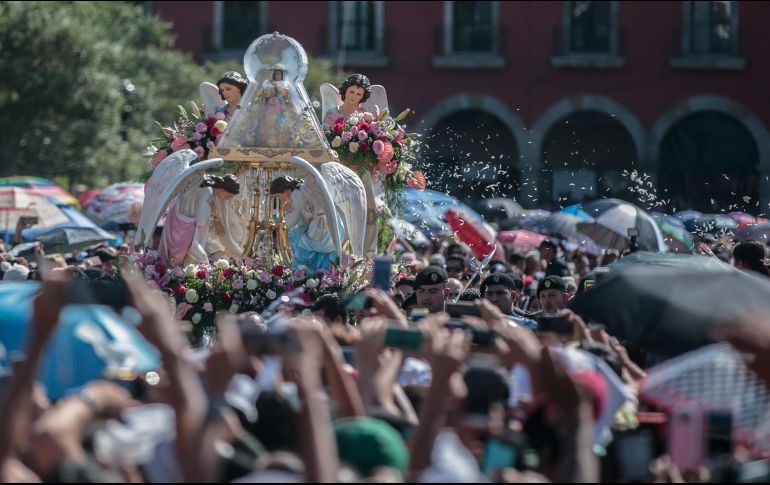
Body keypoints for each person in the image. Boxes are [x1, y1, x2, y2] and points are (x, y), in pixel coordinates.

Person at [158, 174, 240, 265]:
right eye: (229, 195)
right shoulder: (207, 191)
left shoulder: (205, 189)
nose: (227, 199)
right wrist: (212, 213)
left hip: (180, 225)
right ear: (225, 188)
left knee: (208, 254)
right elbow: (201, 221)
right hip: (186, 231)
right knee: (201, 261)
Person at [270, 175, 340, 271]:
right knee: (297, 235)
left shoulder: (296, 195)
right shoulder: (302, 190)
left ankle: (304, 272)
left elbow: (290, 223)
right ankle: (316, 270)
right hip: (325, 226)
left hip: (320, 227)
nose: (280, 200)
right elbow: (305, 217)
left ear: (285, 189)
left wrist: (287, 211)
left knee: (300, 243)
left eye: (279, 196)